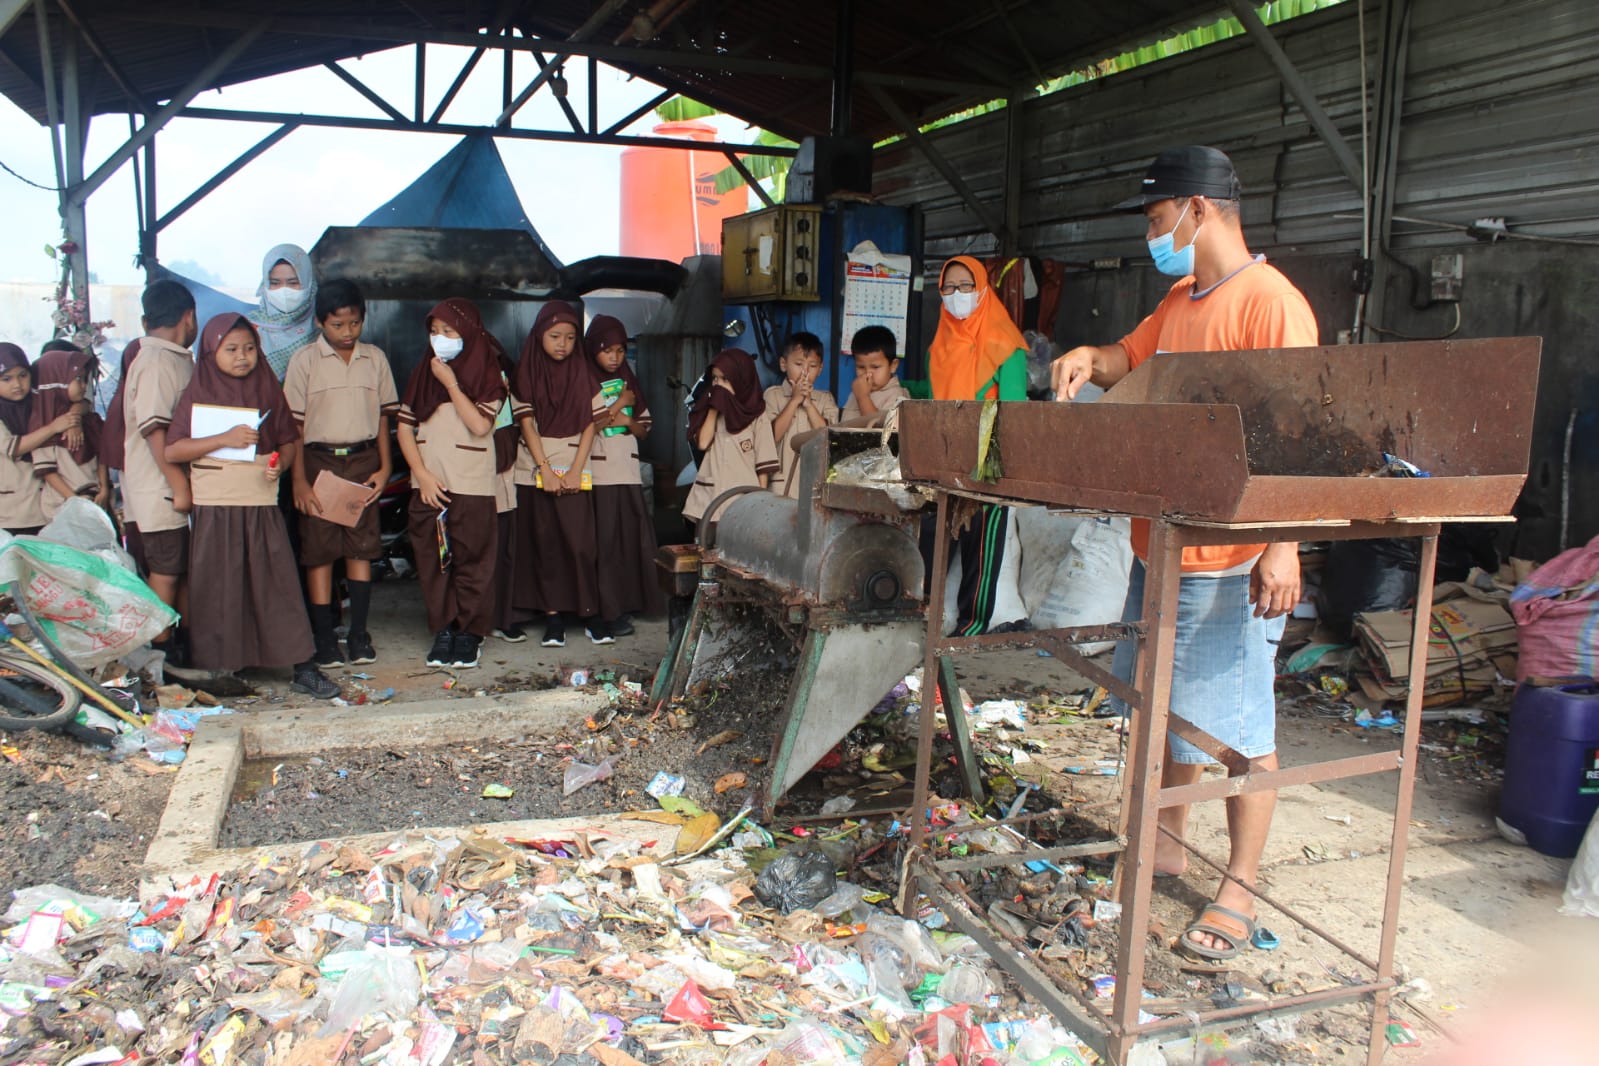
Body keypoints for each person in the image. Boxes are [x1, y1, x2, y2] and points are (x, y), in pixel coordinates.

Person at [1051, 145, 1315, 962]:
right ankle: (1165, 842)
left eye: (1157, 217)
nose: (1152, 233)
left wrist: (1283, 546)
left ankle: (1237, 885)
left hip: (1235, 558)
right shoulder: (1178, 298)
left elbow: (1303, 437)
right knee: (1166, 709)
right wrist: (1092, 359)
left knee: (1238, 725)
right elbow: (1130, 358)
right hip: (1163, 547)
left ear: (1199, 209)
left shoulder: (1271, 305)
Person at [162, 313, 340, 700]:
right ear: (211, 353)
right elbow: (173, 449)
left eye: (248, 349)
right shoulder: (197, 391)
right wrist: (222, 437)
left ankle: (301, 665)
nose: (242, 357)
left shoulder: (267, 389)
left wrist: (282, 464)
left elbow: (289, 441)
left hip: (260, 502)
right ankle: (222, 668)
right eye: (231, 350)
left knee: (276, 583)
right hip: (216, 507)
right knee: (219, 587)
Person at [283, 279, 398, 668]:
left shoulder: (375, 359)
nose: (347, 333)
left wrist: (385, 467)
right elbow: (294, 430)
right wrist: (298, 480)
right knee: (319, 552)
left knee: (360, 547)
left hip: (364, 462)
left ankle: (359, 634)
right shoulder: (304, 362)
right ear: (319, 323)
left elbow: (384, 417)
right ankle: (324, 638)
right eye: (338, 325)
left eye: (354, 324)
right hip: (319, 464)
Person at [396, 299, 506, 671]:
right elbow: (404, 428)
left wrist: (452, 384)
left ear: (470, 332)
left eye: (449, 331)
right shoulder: (421, 373)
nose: (440, 339)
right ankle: (443, 629)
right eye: (434, 331)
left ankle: (469, 633)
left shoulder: (490, 375)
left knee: (473, 561)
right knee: (433, 562)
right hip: (429, 485)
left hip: (472, 485)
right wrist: (421, 475)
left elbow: (480, 426)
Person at [927, 255, 1030, 637]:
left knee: (982, 548)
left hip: (988, 463)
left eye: (966, 287)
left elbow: (1016, 410)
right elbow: (936, 398)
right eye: (948, 288)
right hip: (945, 459)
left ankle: (972, 626)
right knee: (936, 540)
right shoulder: (938, 347)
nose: (957, 295)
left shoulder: (1006, 345)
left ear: (983, 288)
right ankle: (927, 619)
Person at [511, 301, 603, 649]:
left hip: (576, 465)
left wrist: (576, 470)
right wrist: (545, 470)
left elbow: (590, 426)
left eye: (569, 337)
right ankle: (553, 619)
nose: (562, 344)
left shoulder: (583, 373)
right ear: (539, 336)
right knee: (546, 546)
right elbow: (527, 425)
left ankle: (589, 612)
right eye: (554, 336)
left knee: (580, 544)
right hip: (538, 468)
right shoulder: (526, 372)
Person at [118, 280, 199, 664]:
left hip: (165, 486)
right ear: (189, 316)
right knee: (166, 571)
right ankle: (161, 651)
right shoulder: (156, 362)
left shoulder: (168, 356)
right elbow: (155, 430)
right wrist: (178, 485)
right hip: (160, 488)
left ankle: (182, 645)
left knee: (178, 569)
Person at [585, 315, 661, 637]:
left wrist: (627, 416)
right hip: (598, 474)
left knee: (630, 541)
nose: (614, 357)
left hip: (628, 472)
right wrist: (619, 404)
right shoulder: (583, 379)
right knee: (604, 544)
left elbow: (644, 430)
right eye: (607, 350)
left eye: (619, 350)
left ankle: (627, 604)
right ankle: (604, 610)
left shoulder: (630, 381)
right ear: (592, 351)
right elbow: (590, 425)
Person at [682, 348, 778, 528]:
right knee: (706, 549)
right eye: (715, 379)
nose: (719, 385)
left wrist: (761, 503)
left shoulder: (757, 415)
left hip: (743, 502)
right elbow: (702, 443)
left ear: (742, 380)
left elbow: (763, 466)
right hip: (709, 500)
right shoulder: (710, 409)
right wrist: (713, 409)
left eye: (725, 379)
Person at [0, 342, 76, 535]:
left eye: (23, 376)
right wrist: (52, 428)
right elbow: (14, 447)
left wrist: (74, 420)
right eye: (6, 379)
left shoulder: (39, 402)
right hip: (11, 512)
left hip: (48, 507)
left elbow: (78, 404)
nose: (17, 385)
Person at [29, 340, 110, 521]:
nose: (84, 386)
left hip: (95, 500)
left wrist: (104, 487)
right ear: (58, 380)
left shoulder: (88, 418)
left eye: (85, 379)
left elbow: (101, 454)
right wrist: (75, 500)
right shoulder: (43, 425)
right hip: (63, 507)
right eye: (78, 379)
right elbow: (48, 471)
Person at [763, 332, 837, 498]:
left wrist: (809, 404)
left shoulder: (825, 399)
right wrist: (794, 401)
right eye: (798, 364)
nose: (805, 372)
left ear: (820, 369)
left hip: (815, 485)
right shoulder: (773, 395)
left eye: (812, 366)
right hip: (780, 485)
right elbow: (771, 436)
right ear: (783, 364)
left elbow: (830, 439)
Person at [247, 244, 319, 381]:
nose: (284, 290)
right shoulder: (250, 330)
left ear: (308, 282)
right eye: (275, 283)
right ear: (265, 285)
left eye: (293, 283)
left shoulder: (325, 325)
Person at [841, 325, 910, 424]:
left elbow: (880, 431)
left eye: (875, 367)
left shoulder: (897, 396)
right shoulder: (857, 392)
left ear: (893, 366)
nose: (868, 374)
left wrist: (863, 398)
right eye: (861, 367)